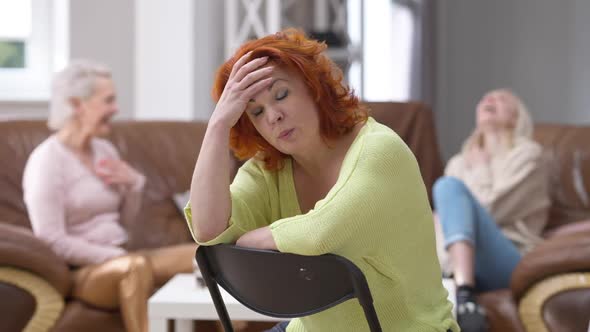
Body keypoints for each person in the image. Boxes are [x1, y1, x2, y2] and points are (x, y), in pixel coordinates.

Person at [184, 28, 459, 332]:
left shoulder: (381, 150)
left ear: (315, 87)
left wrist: (251, 239)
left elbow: (320, 234)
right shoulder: (269, 169)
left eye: (281, 94)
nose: (273, 115)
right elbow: (207, 229)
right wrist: (219, 123)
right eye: (257, 112)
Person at [22, 60, 197, 332]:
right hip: (82, 272)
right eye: (108, 101)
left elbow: (124, 226)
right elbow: (50, 238)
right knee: (133, 267)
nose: (116, 109)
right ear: (78, 105)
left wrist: (133, 187)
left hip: (124, 256)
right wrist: (110, 255)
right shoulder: (46, 161)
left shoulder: (104, 150)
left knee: (205, 256)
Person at [432, 89, 550, 331]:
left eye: (502, 99)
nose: (490, 99)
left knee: (447, 186)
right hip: (457, 261)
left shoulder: (528, 155)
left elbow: (492, 209)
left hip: (508, 260)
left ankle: (463, 294)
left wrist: (482, 168)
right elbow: (445, 223)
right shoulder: (458, 162)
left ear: (517, 118)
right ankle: (456, 289)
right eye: (485, 97)